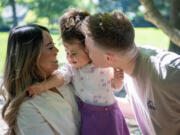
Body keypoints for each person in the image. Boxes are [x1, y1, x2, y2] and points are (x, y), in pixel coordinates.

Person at [27, 8, 130, 135]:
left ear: (89, 48)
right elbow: (60, 77)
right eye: (67, 52)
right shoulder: (73, 68)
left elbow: (115, 87)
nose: (70, 57)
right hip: (89, 117)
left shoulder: (102, 64)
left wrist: (118, 79)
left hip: (111, 115)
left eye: (74, 53)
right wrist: (42, 86)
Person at [81, 11, 180, 135]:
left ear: (109, 58)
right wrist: (93, 100)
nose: (85, 51)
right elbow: (141, 108)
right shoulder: (126, 64)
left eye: (89, 49)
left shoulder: (170, 74)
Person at [1, 24, 80, 135]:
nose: (57, 51)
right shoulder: (27, 109)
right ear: (31, 57)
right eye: (50, 47)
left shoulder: (63, 79)